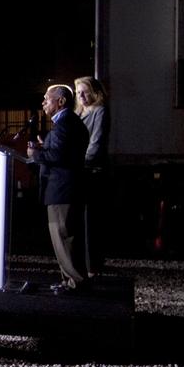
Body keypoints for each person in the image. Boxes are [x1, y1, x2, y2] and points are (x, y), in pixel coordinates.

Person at [28, 85, 89, 294]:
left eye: (47, 99)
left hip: (62, 189)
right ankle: (68, 280)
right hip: (66, 189)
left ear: (60, 101)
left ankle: (75, 282)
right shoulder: (69, 124)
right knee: (64, 238)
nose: (43, 103)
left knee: (64, 236)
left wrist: (36, 153)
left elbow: (59, 157)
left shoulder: (64, 125)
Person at [75, 76, 110, 277]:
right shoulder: (78, 114)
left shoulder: (100, 112)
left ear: (95, 93)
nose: (81, 96)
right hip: (80, 172)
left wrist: (78, 162)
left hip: (91, 171)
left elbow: (96, 144)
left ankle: (92, 266)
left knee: (90, 222)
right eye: (78, 93)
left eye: (85, 92)